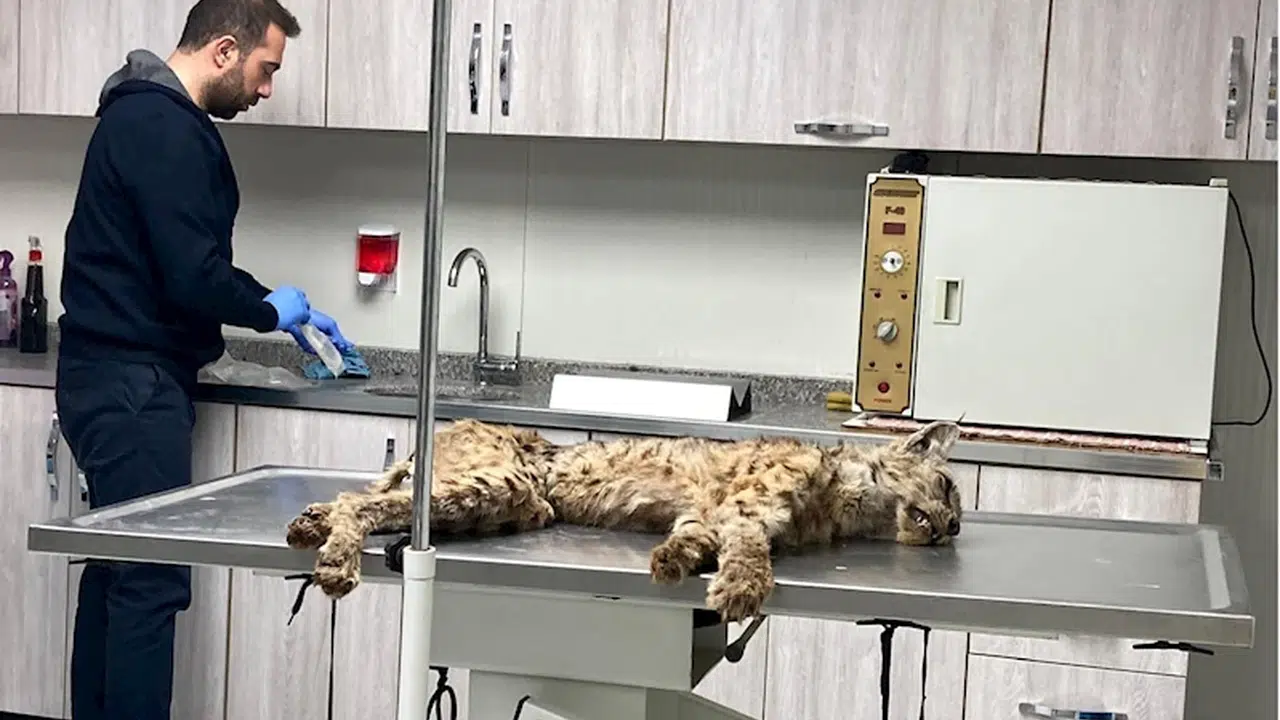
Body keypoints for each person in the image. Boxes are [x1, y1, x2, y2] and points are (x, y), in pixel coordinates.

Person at [54, 1, 351, 718]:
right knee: (150, 583)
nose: (266, 89)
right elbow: (192, 275)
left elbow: (181, 260)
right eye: (265, 69)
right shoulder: (163, 127)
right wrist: (268, 310)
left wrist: (272, 304)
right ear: (223, 50)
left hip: (108, 376)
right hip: (132, 387)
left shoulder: (140, 114)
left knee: (120, 574)